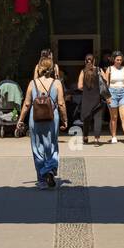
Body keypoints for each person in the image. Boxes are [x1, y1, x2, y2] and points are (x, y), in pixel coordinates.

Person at [17, 55, 67, 188]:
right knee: (52, 144)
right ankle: (50, 168)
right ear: (52, 69)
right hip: (52, 117)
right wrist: (65, 119)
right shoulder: (57, 83)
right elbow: (61, 103)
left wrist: (20, 120)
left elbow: (27, 104)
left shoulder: (33, 83)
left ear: (39, 68)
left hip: (36, 117)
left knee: (37, 147)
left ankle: (42, 179)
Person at [76, 53, 107, 145]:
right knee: (98, 119)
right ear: (94, 61)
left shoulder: (83, 71)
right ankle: (96, 139)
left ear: (85, 61)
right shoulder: (99, 70)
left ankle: (85, 137)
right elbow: (105, 81)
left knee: (86, 119)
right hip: (97, 98)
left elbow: (79, 86)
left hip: (86, 99)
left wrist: (86, 89)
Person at [105, 50, 124, 143]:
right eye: (117, 60)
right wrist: (107, 96)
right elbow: (106, 85)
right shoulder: (109, 69)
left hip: (123, 92)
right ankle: (113, 136)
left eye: (121, 60)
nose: (119, 61)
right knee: (114, 117)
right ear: (113, 60)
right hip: (112, 92)